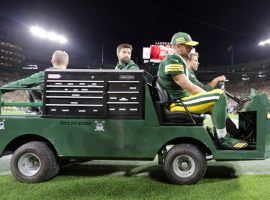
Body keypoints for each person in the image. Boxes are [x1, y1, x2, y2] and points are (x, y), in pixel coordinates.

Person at [157, 31, 247, 149]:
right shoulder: (172, 58)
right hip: (178, 103)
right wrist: (209, 96)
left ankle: (229, 134)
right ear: (178, 46)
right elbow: (189, 86)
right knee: (219, 96)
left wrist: (209, 97)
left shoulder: (178, 60)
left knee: (216, 102)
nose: (190, 48)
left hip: (181, 100)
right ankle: (222, 139)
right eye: (187, 45)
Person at [1, 50, 69, 114]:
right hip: (70, 111)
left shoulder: (44, 75)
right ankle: (33, 110)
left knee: (33, 88)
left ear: (52, 61)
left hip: (48, 111)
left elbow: (21, 83)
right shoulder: (76, 76)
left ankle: (33, 110)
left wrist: (2, 89)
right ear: (67, 64)